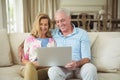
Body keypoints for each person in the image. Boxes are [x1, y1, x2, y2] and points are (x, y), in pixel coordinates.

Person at [47, 8, 98, 80]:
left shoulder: (82, 33)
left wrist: (76, 64)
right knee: (52, 71)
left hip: (80, 68)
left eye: (62, 20)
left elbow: (87, 58)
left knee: (91, 68)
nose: (60, 24)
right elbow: (38, 34)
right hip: (62, 69)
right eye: (57, 22)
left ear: (69, 18)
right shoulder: (53, 34)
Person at [18, 13, 56, 80]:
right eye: (41, 24)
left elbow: (53, 61)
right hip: (29, 68)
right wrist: (34, 64)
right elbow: (24, 60)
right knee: (30, 67)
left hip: (45, 69)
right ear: (37, 25)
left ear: (49, 26)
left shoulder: (52, 41)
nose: (43, 27)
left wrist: (41, 65)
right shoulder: (29, 39)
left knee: (38, 73)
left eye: (45, 25)